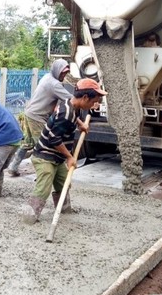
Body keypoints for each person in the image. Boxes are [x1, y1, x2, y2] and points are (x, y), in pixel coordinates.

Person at [21, 78, 107, 224]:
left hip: (56, 156)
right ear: (85, 97)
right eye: (94, 100)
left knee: (63, 183)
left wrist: (80, 125)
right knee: (44, 186)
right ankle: (29, 217)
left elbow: (74, 118)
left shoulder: (73, 105)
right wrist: (69, 157)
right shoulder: (65, 113)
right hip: (45, 156)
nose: (95, 104)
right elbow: (54, 138)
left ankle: (64, 210)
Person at [7, 58, 73, 177]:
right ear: (57, 71)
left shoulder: (47, 77)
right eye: (63, 72)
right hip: (37, 116)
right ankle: (42, 175)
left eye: (66, 72)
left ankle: (13, 167)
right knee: (43, 146)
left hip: (29, 112)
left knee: (28, 143)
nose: (65, 75)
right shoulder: (55, 84)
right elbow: (72, 100)